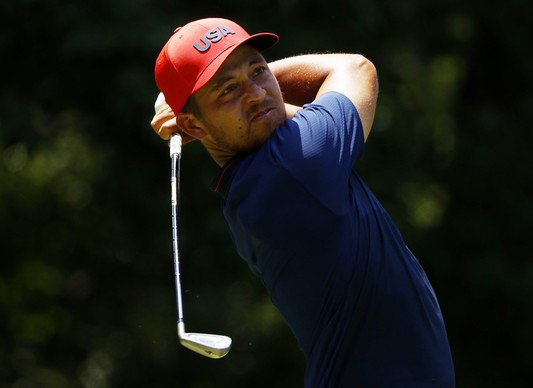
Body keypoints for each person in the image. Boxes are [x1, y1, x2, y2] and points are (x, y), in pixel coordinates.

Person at [151, 17, 455, 387]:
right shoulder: (296, 166)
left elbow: (282, 110)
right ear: (195, 128)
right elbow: (355, 68)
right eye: (228, 90)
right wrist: (257, 76)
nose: (258, 93)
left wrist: (208, 99)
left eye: (258, 70)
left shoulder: (261, 173)